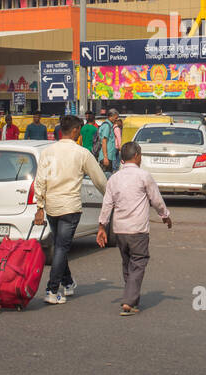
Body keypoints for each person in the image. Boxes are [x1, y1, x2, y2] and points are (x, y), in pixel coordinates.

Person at [34, 115, 108, 305]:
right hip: (70, 207)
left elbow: (40, 180)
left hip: (51, 206)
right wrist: (110, 197)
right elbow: (99, 179)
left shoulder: (48, 152)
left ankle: (68, 283)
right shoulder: (81, 153)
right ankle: (51, 290)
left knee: (60, 245)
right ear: (75, 131)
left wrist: (40, 206)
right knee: (61, 247)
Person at [96, 140, 172, 316]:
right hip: (138, 230)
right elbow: (156, 200)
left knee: (128, 263)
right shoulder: (144, 176)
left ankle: (132, 298)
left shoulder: (114, 178)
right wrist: (165, 216)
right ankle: (129, 302)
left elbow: (107, 204)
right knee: (138, 263)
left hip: (120, 230)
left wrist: (102, 227)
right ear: (137, 156)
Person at [96, 110, 121, 174]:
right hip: (106, 157)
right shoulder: (107, 126)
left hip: (109, 156)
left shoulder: (110, 125)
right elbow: (104, 141)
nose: (116, 119)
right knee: (105, 176)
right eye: (116, 118)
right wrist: (105, 157)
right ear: (111, 116)